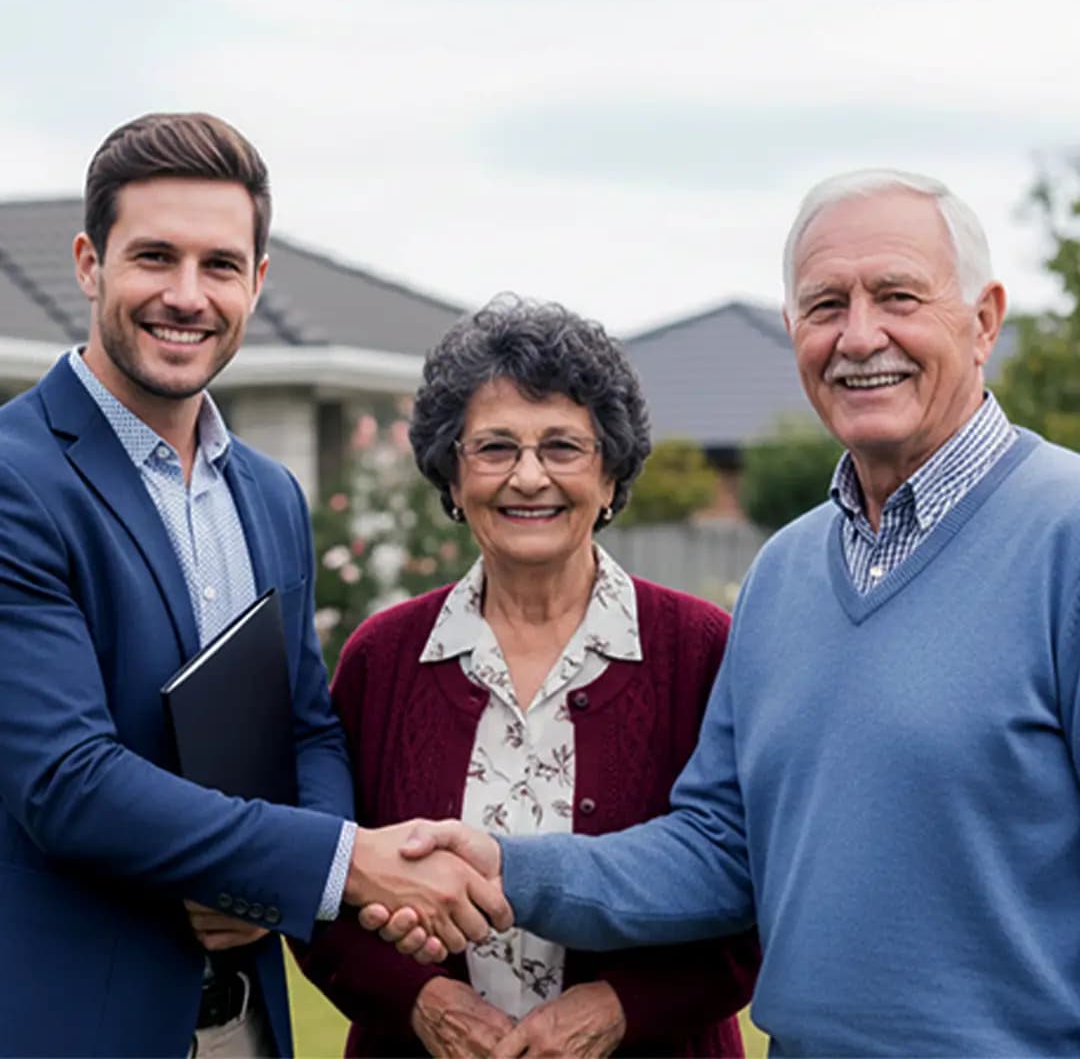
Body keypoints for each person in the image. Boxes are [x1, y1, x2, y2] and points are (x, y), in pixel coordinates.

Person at [377, 171, 1080, 1056]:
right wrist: (505, 868)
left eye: (897, 296)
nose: (860, 336)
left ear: (984, 321)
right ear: (794, 331)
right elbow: (720, 853)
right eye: (826, 305)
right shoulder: (785, 572)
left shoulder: (1066, 539)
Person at [0, 113, 507, 1059]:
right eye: (155, 257)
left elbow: (304, 725)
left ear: (258, 283)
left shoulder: (269, 494)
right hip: (75, 1019)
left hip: (248, 1025)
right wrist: (340, 865)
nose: (187, 296)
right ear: (87, 264)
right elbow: (65, 783)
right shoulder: (15, 479)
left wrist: (277, 877)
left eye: (220, 265)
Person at [299, 296, 759, 1058]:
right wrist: (424, 1003)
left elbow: (756, 892)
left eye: (563, 447)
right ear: (452, 478)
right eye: (494, 448)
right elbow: (324, 890)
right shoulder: (383, 660)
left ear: (611, 477)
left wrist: (619, 1010)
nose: (529, 476)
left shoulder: (703, 653)